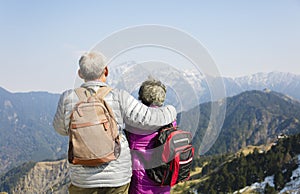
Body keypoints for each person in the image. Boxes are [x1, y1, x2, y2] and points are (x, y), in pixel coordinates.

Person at [52, 51, 177, 194]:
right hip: (117, 176)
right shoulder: (118, 96)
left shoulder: (67, 98)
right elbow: (149, 118)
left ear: (80, 73)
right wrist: (171, 110)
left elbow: (60, 129)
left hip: (82, 178)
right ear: (106, 70)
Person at [126, 78, 175, 194]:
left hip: (141, 181)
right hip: (163, 177)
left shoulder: (134, 123)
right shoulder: (170, 121)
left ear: (142, 97)